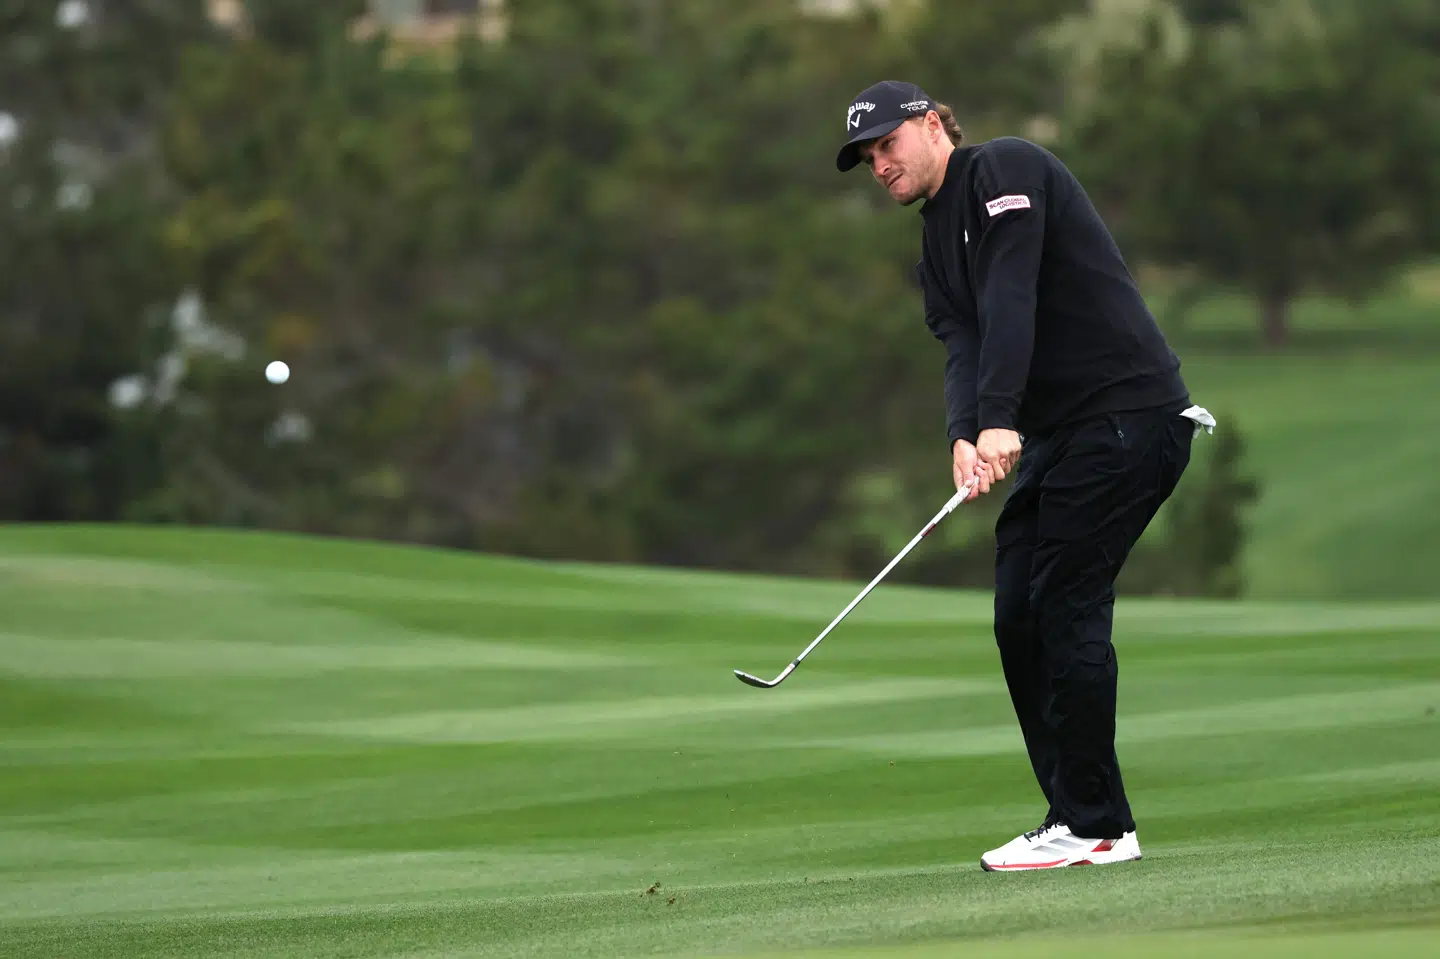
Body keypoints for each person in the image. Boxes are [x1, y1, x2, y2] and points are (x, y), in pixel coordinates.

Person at [835, 80, 1215, 871]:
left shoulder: (1005, 170)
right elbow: (964, 346)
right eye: (868, 157)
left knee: (1065, 600)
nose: (880, 164)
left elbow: (1013, 293)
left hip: (1127, 416)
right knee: (1018, 612)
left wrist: (1000, 416)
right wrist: (965, 436)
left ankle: (1098, 824)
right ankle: (1073, 811)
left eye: (888, 144)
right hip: (1062, 436)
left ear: (933, 126)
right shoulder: (933, 251)